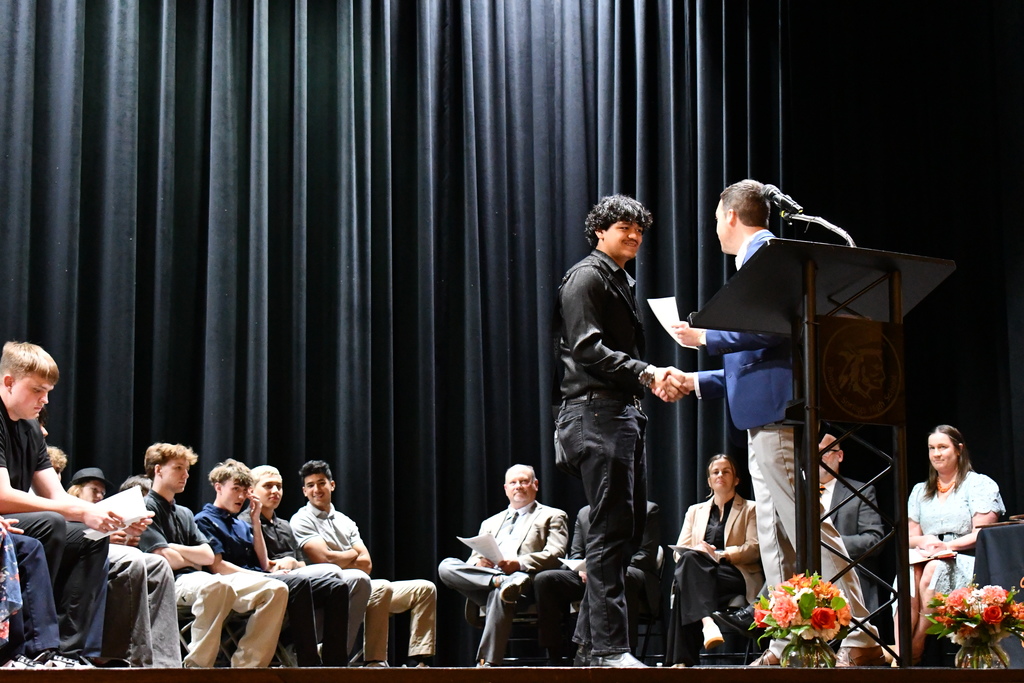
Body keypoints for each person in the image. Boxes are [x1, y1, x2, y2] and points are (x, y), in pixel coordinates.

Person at [672, 181, 885, 667]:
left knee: (802, 525)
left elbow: (768, 329)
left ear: (730, 215)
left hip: (781, 415)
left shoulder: (768, 253)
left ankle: (861, 635)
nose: (716, 229)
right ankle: (788, 639)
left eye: (716, 219)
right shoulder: (758, 260)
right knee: (775, 536)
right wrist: (695, 379)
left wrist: (704, 335)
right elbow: (753, 356)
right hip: (762, 416)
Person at [554, 195, 688, 668]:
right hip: (596, 414)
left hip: (619, 415)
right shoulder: (587, 277)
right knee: (610, 533)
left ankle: (592, 648)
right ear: (599, 230)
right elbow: (588, 350)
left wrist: (646, 380)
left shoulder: (617, 280)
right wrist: (650, 373)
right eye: (623, 227)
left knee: (625, 531)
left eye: (638, 229)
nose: (632, 235)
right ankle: (611, 649)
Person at [0, 341, 147, 657]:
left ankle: (72, 651)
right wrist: (78, 510)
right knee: (51, 522)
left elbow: (56, 493)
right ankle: (32, 646)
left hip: (17, 523)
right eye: (38, 390)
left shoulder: (29, 429)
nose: (46, 399)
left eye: (49, 391)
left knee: (90, 538)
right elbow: (1, 496)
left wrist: (111, 517)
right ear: (8, 381)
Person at [138, 443, 288, 668]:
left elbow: (208, 556)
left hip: (200, 579)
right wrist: (188, 556)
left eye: (187, 469)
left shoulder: (185, 513)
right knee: (217, 585)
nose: (186, 474)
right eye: (179, 468)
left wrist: (173, 547)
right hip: (169, 583)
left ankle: (247, 668)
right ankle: (198, 669)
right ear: (158, 470)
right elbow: (167, 560)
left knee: (276, 589)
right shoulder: (144, 507)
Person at [194, 458, 351, 667]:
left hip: (259, 577)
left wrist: (256, 520)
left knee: (336, 588)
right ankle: (309, 664)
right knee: (299, 584)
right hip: (234, 583)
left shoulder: (241, 523)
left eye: (244, 490)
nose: (241, 496)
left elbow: (264, 562)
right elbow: (218, 567)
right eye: (235, 489)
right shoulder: (205, 519)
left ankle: (336, 665)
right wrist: (264, 575)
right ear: (219, 488)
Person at [290, 460, 436, 667]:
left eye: (321, 483)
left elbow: (366, 564)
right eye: (311, 485)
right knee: (380, 586)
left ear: (332, 485)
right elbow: (324, 559)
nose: (317, 489)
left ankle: (418, 660)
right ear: (304, 491)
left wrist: (340, 556)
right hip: (329, 591)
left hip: (361, 585)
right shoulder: (301, 519)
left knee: (424, 588)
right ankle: (371, 659)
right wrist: (351, 553)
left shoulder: (345, 521)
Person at [438, 464, 568, 667]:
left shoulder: (552, 516)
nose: (519, 486)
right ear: (505, 488)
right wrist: (478, 563)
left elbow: (555, 554)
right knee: (446, 566)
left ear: (535, 485)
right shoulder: (490, 522)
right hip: (489, 579)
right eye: (513, 483)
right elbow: (473, 558)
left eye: (524, 481)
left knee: (503, 593)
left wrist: (519, 564)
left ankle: (487, 664)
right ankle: (498, 581)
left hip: (525, 585)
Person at [900, 425, 1002, 663]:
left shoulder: (978, 484)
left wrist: (947, 547)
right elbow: (909, 537)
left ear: (958, 450)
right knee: (907, 571)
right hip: (927, 556)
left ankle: (916, 644)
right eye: (931, 448)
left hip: (967, 559)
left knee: (935, 568)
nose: (936, 453)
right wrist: (926, 540)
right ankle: (901, 652)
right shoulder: (919, 491)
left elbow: (982, 533)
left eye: (942, 447)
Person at [249, 464, 371, 659]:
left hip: (296, 577)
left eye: (279, 487)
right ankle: (305, 650)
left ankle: (336, 659)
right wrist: (352, 553)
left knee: (352, 580)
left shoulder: (284, 526)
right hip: (268, 580)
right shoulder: (247, 522)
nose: (275, 491)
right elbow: (257, 564)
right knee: (332, 573)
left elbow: (302, 563)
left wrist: (292, 562)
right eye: (268, 486)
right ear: (252, 491)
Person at [67, 468, 181, 667]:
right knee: (132, 560)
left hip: (103, 554)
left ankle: (165, 664)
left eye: (102, 492)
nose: (100, 495)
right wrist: (104, 539)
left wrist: (125, 536)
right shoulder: (67, 508)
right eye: (94, 490)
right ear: (77, 491)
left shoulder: (104, 515)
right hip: (76, 555)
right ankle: (127, 660)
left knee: (159, 565)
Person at [533, 501, 661, 665]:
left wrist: (604, 568)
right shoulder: (585, 513)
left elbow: (645, 554)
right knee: (545, 580)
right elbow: (576, 554)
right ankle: (554, 657)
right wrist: (582, 568)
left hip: (629, 570)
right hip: (591, 574)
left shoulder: (647, 509)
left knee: (620, 577)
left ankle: (624, 652)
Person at [665, 454, 762, 667]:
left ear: (736, 479)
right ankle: (707, 623)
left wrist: (719, 554)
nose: (720, 475)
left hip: (734, 573)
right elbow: (678, 551)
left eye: (726, 471)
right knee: (690, 561)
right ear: (709, 481)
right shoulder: (694, 511)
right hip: (702, 574)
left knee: (687, 577)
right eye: (715, 472)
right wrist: (699, 551)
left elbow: (754, 549)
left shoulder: (751, 509)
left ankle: (681, 661)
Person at [819, 433, 885, 613]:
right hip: (809, 579)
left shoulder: (860, 491)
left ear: (839, 456)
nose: (816, 458)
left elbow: (874, 540)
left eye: (823, 452)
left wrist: (829, 545)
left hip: (848, 578)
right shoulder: (797, 496)